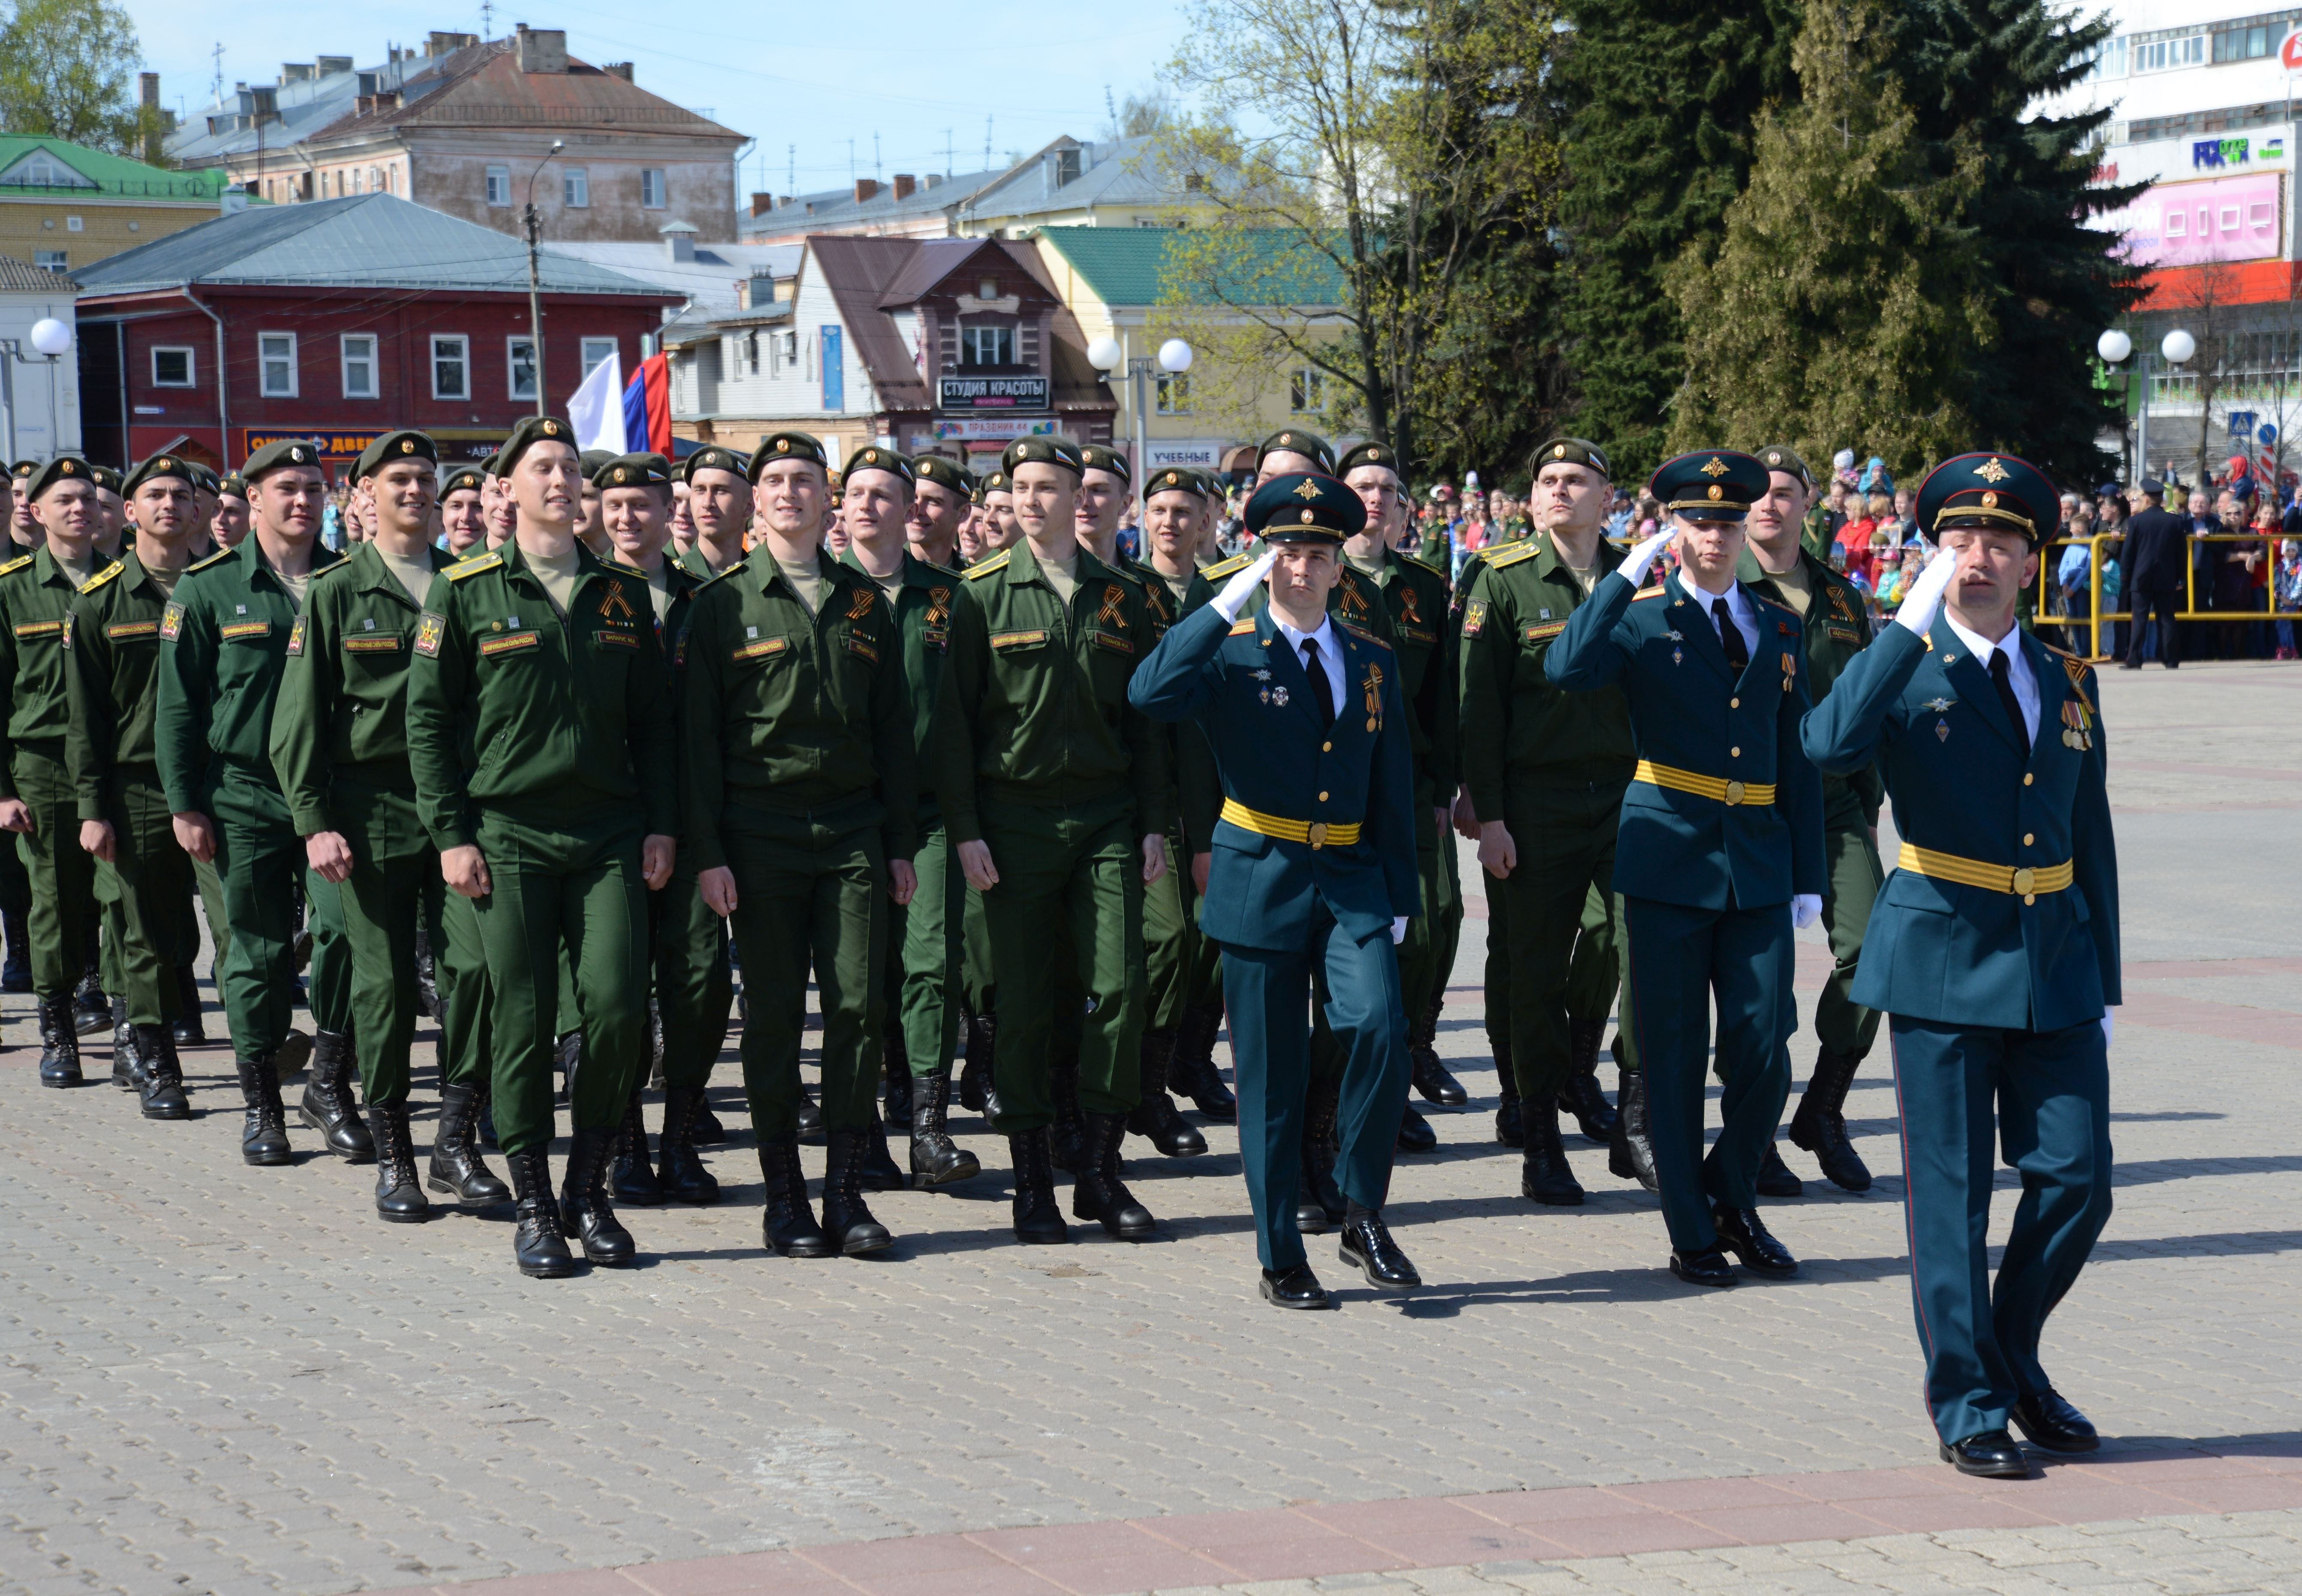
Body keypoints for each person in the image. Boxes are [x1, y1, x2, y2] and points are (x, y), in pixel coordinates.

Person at [1802, 452, 2119, 1479]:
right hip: (1939, 953)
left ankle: (2010, 1357)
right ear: (1932, 554)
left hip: (2053, 959)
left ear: (2032, 560)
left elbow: (2088, 829)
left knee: (2077, 1179)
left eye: (1999, 541)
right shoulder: (1904, 661)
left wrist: (2105, 982)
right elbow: (1828, 744)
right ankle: (1968, 1400)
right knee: (1951, 1196)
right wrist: (1901, 625)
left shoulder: (2066, 675)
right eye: (1957, 540)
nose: (1977, 557)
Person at [1130, 472, 1421, 1307]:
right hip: (1259, 876)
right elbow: (1149, 692)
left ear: (1339, 566)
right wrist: (1223, 601)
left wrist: (1400, 895)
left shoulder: (1370, 659)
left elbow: (1392, 784)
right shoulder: (1227, 649)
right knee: (1270, 1077)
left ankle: (1361, 1209)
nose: (1301, 567)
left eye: (1317, 554)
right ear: (1264, 560)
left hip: (1350, 879)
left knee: (1380, 1029)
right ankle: (1279, 1255)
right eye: (1286, 552)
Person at [405, 415, 677, 1277]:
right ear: (507, 489)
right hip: (508, 834)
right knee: (520, 1019)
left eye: (569, 467)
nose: (561, 481)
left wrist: (662, 823)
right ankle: (533, 1204)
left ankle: (587, 1190)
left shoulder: (620, 592)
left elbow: (655, 725)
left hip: (608, 835)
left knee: (618, 1009)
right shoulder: (465, 590)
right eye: (543, 468)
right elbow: (427, 721)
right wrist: (451, 834)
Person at [1546, 450, 1825, 1286]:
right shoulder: (1639, 618)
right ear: (1674, 529)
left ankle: (1730, 1192)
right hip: (1666, 855)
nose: (1715, 535)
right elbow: (1566, 667)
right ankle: (1690, 1228)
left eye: (1727, 521)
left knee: (1764, 1043)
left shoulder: (1777, 626)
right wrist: (1622, 573)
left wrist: (1806, 872)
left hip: (1756, 860)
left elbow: (1797, 757)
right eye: (1698, 521)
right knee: (1670, 1054)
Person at [682, 433, 916, 1255]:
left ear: (828, 499)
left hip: (851, 833)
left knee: (857, 1008)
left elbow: (893, 731)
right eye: (774, 479)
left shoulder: (862, 603)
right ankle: (784, 1196)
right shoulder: (719, 606)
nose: (788, 492)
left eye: (804, 480)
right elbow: (697, 743)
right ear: (756, 499)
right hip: (759, 836)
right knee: (776, 1016)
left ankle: (844, 1193)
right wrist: (708, 851)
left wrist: (899, 843)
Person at [936, 434, 1171, 1244]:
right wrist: (965, 830)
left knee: (1120, 988)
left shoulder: (1124, 596)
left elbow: (1147, 724)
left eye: (1049, 487)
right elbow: (954, 727)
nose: (1033, 502)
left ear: (1081, 497)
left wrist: (1153, 823)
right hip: (1014, 821)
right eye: (1021, 488)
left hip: (1104, 818)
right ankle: (1033, 1180)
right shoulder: (978, 595)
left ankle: (1099, 1171)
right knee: (1025, 1004)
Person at [269, 430, 508, 1220]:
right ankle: (395, 1152)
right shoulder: (338, 590)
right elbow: (298, 717)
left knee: (476, 971)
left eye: (424, 477)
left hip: (460, 811)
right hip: (369, 811)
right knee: (386, 987)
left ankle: (456, 1141)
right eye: (398, 477)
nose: (415, 489)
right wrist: (314, 821)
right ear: (364, 492)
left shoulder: (467, 581)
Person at [1457, 438, 1646, 1206]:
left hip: (1630, 798)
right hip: (1537, 801)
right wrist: (1490, 815)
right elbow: (1477, 707)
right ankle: (1538, 1133)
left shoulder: (1640, 575)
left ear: (1608, 497)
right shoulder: (1500, 577)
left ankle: (1631, 1109)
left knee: (1639, 950)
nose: (1559, 490)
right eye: (1547, 480)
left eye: (1576, 479)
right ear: (1532, 499)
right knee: (1533, 971)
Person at [159, 441, 348, 1159]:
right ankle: (263, 1102)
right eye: (287, 487)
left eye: (313, 488)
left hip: (331, 795)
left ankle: (328, 1080)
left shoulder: (348, 578)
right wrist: (185, 803)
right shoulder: (207, 587)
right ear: (255, 498)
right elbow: (178, 706)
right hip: (244, 792)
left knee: (344, 936)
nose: (302, 499)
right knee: (256, 951)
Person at [1738, 446, 1883, 1195]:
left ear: (1807, 505)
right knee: (1760, 984)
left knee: (1877, 948)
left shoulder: (1841, 598)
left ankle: (1823, 1108)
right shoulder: (1719, 586)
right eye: (1757, 494)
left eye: (1784, 493)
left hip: (1831, 805)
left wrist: (1868, 805)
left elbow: (1866, 707)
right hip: (1751, 807)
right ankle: (1753, 1132)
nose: (1769, 505)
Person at [587, 451, 726, 1210]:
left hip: (697, 813)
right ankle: (627, 1143)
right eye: (613, 505)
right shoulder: (585, 592)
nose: (626, 517)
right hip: (614, 814)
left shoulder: (706, 597)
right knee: (620, 986)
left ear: (668, 510)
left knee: (699, 981)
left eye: (640, 504)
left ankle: (680, 1135)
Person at [839, 446, 975, 1189]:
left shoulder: (951, 598)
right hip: (849, 815)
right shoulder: (823, 592)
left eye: (884, 495)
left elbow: (973, 713)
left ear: (908, 509)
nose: (869, 506)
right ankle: (863, 1130)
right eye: (856, 493)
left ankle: (928, 1128)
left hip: (929, 814)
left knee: (931, 964)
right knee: (861, 978)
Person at [67, 454, 205, 1116]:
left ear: (198, 509)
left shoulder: (219, 587)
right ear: (129, 512)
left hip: (220, 781)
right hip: (138, 784)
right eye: (155, 494)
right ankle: (155, 1059)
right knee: (144, 931)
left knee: (235, 928)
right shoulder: (101, 600)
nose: (169, 504)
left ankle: (262, 1061)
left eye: (180, 494)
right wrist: (93, 808)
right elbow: (86, 716)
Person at [0, 457, 116, 1085]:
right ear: (37, 511)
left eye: (88, 499)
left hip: (119, 764)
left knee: (121, 898)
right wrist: (2, 791)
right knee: (54, 901)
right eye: (65, 499)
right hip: (44, 766)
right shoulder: (12, 589)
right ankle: (58, 1029)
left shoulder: (125, 582)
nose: (79, 508)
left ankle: (131, 1024)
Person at [2119, 478, 2184, 669]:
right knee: (2167, 619)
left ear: (2146, 500)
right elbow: (2181, 554)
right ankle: (2170, 659)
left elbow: (2128, 552)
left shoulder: (2136, 521)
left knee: (2139, 619)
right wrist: (2180, 577)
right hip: (2167, 577)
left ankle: (2134, 659)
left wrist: (2125, 576)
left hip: (2141, 577)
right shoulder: (2175, 521)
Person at [677, 446, 751, 579]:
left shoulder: (764, 579)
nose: (707, 503)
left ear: (749, 506)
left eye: (720, 491)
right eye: (700, 491)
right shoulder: (670, 579)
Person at [908, 455, 969, 571]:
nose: (917, 510)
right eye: (913, 498)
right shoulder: (879, 571)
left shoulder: (975, 579)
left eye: (933, 501)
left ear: (963, 513)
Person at [440, 465, 489, 557]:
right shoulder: (429, 565)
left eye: (478, 507)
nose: (466, 517)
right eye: (456, 506)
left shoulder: (510, 564)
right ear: (444, 517)